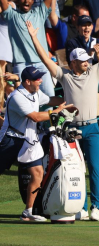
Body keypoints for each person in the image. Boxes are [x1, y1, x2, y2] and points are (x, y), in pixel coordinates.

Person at [27, 3, 99, 221]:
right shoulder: (65, 74)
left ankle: (95, 207)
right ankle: (76, 206)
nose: (87, 62)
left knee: (94, 169)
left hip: (91, 128)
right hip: (70, 130)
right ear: (73, 62)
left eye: (87, 60)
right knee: (74, 169)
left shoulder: (95, 71)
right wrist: (34, 37)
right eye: (83, 61)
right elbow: (45, 58)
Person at [0, 66, 71, 222]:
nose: (41, 80)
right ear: (27, 81)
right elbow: (36, 117)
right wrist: (56, 111)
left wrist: (70, 99)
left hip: (29, 140)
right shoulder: (17, 97)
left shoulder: (36, 93)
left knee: (37, 174)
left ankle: (28, 212)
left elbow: (51, 100)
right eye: (37, 78)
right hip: (10, 140)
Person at [0, 0, 64, 97]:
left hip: (41, 62)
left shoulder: (39, 12)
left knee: (49, 98)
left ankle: (48, 119)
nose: (26, 0)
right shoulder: (12, 15)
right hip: (21, 65)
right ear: (18, 0)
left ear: (33, 0)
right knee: (22, 98)